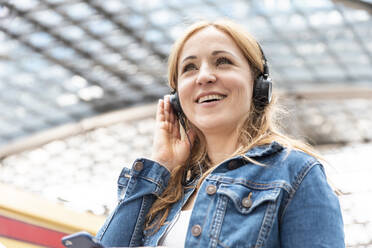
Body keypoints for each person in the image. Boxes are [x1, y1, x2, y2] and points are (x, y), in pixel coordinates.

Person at [96, 19, 345, 247]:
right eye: (189, 68)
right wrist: (161, 165)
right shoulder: (166, 193)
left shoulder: (297, 173)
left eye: (223, 61)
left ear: (258, 84)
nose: (204, 76)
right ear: (176, 99)